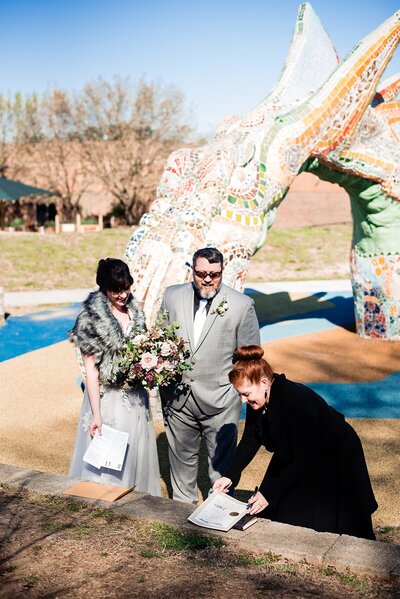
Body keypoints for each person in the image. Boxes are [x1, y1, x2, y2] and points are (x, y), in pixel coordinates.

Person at [213, 345, 378, 540]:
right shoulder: (257, 399)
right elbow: (251, 439)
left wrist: (269, 492)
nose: (242, 400)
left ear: (264, 382)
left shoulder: (295, 400)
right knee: (281, 511)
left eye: (246, 394)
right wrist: (229, 475)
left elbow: (306, 457)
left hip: (335, 452)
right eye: (239, 394)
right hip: (299, 451)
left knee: (332, 518)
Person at [159, 247, 260, 503]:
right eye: (201, 273)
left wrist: (242, 394)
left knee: (222, 473)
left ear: (222, 271)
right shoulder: (171, 296)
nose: (207, 279)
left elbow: (249, 359)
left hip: (221, 401)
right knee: (181, 469)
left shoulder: (242, 305)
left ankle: (220, 523)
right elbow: (160, 339)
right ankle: (181, 524)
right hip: (177, 398)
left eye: (214, 274)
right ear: (192, 270)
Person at [69, 258, 161, 496]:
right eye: (116, 290)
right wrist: (96, 414)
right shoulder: (91, 318)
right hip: (108, 398)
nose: (123, 295)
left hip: (136, 397)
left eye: (126, 287)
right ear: (103, 287)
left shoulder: (135, 311)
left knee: (134, 454)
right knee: (108, 462)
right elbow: (91, 371)